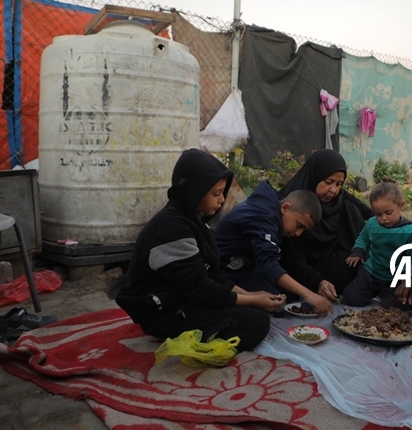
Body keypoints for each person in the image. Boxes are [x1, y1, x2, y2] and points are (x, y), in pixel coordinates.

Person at [115, 149, 286, 352]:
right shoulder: (172, 228)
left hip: (184, 298)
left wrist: (250, 296)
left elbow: (214, 274)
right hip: (164, 312)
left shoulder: (194, 220)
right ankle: (195, 338)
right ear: (194, 191)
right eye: (216, 193)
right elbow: (201, 291)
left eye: (223, 192)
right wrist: (252, 301)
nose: (222, 200)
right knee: (255, 323)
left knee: (254, 310)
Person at [214, 179, 333, 315]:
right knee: (276, 305)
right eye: (299, 225)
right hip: (223, 270)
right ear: (286, 208)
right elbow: (268, 263)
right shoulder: (265, 217)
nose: (298, 233)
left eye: (303, 230)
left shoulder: (273, 210)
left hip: (244, 266)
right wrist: (309, 294)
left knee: (287, 296)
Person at [279, 150, 373, 302]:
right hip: (297, 267)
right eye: (328, 182)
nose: (333, 190)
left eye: (339, 184)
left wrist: (389, 220)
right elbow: (291, 258)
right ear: (315, 176)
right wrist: (317, 281)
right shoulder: (294, 205)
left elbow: (362, 207)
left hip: (325, 261)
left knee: (351, 209)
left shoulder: (337, 198)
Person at [343, 182, 412, 307]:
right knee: (351, 298)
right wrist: (358, 251)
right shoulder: (372, 224)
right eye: (378, 214)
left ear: (401, 206)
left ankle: (385, 296)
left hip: (393, 278)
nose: (383, 218)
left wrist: (407, 279)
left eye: (388, 213)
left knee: (395, 307)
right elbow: (363, 238)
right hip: (370, 273)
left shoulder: (410, 231)